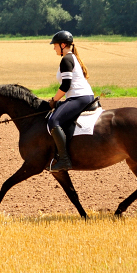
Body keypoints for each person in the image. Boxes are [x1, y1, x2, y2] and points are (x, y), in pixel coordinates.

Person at [47, 30, 94, 172]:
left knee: (53, 121)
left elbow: (65, 85)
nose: (53, 48)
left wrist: (54, 100)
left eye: (54, 45)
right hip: (82, 96)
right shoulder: (72, 57)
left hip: (79, 97)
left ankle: (64, 160)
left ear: (62, 45)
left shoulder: (66, 59)